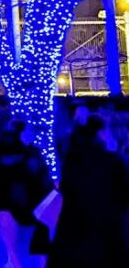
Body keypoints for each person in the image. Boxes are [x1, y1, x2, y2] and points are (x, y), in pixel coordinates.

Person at [47, 114, 129, 267]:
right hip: (106, 234)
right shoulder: (114, 162)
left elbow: (66, 191)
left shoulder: (72, 160)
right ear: (100, 133)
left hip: (73, 234)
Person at [0, 120, 54, 268]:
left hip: (30, 200)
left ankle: (22, 261)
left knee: (37, 229)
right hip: (14, 201)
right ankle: (15, 260)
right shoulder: (7, 155)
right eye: (27, 132)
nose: (31, 135)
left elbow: (43, 177)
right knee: (8, 218)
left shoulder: (33, 152)